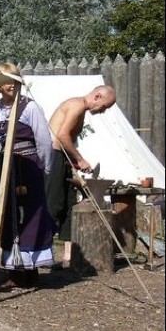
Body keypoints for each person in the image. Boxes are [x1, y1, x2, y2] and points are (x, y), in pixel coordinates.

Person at [0, 63, 57, 290]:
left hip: (28, 169)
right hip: (6, 168)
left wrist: (45, 170)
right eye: (6, 79)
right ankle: (14, 272)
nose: (11, 83)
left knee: (31, 216)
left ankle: (30, 273)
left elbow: (44, 142)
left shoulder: (30, 108)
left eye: (14, 78)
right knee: (7, 216)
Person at [45, 84, 117, 250]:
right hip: (53, 156)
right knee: (53, 204)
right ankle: (40, 253)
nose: (102, 111)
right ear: (97, 96)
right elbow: (61, 136)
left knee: (69, 205)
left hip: (62, 158)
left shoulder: (81, 109)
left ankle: (69, 256)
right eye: (104, 107)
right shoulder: (76, 105)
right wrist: (80, 159)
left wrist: (73, 160)